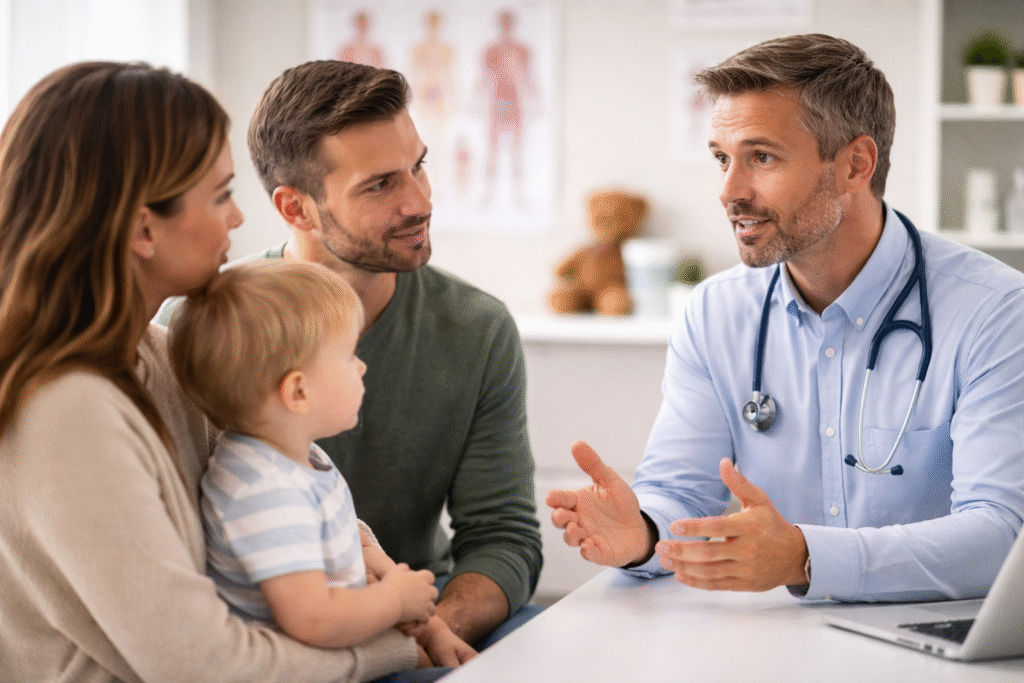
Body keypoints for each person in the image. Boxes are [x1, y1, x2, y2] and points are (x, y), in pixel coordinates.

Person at [547, 33, 1024, 603]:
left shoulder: (993, 309)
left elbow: (1001, 535)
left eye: (762, 157)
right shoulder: (715, 312)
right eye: (722, 159)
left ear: (855, 165)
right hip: (775, 643)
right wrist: (643, 534)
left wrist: (804, 556)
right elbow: (681, 493)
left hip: (933, 643)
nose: (729, 192)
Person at [0, 62, 419, 682]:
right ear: (143, 227)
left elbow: (275, 482)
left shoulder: (159, 355)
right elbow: (206, 666)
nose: (239, 220)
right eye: (221, 195)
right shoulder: (66, 410)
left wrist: (378, 571)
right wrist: (394, 647)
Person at [158, 59, 543, 649]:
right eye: (382, 184)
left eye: (418, 167)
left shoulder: (477, 328)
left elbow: (502, 537)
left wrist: (423, 633)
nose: (420, 201)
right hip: (267, 635)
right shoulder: (198, 329)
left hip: (422, 607)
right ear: (296, 209)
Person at [168, 259, 474, 671]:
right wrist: (395, 600)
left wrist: (426, 622)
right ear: (298, 391)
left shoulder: (294, 457)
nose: (362, 366)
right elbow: (313, 618)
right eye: (350, 355)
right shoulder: (265, 492)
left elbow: (348, 544)